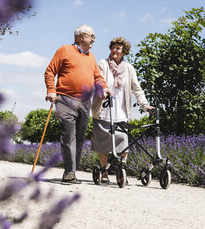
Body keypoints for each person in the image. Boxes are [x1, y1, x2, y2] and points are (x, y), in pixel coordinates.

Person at [45, 25, 111, 184]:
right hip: (66, 99)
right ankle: (69, 173)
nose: (94, 39)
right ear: (81, 36)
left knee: (80, 138)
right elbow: (50, 71)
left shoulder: (91, 56)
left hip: (85, 102)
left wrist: (105, 88)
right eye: (92, 36)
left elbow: (97, 77)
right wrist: (51, 90)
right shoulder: (64, 50)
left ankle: (73, 170)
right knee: (68, 136)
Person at [91, 37, 154, 184]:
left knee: (123, 142)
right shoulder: (103, 64)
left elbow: (137, 89)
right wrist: (103, 91)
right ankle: (104, 172)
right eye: (113, 47)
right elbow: (97, 80)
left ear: (124, 51)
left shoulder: (129, 69)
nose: (115, 50)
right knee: (103, 144)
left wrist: (145, 106)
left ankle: (122, 171)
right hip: (104, 109)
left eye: (118, 48)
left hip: (121, 111)